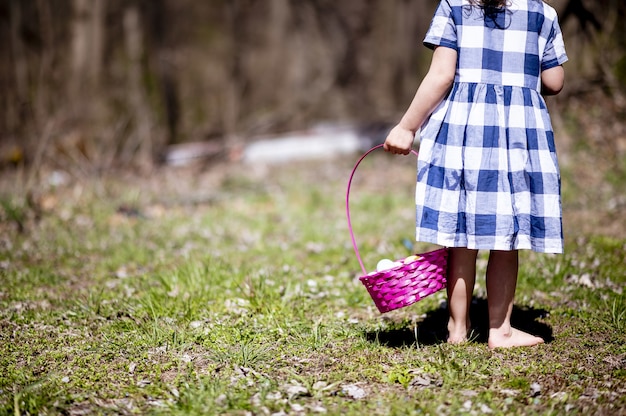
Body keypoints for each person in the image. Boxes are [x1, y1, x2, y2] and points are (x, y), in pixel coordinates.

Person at [383, 0, 567, 348]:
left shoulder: (455, 6)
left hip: (466, 132)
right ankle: (501, 331)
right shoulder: (543, 13)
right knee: (506, 235)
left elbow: (442, 75)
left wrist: (407, 126)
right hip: (517, 136)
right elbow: (555, 81)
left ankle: (457, 330)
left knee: (462, 234)